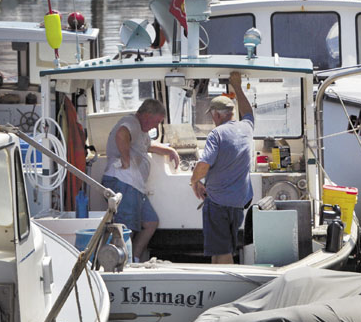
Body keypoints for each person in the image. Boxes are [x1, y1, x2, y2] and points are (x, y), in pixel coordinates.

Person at [102, 99, 180, 262]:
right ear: (146, 115)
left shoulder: (141, 130)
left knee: (151, 222)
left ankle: (134, 259)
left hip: (135, 186)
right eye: (156, 122)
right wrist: (125, 160)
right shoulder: (131, 122)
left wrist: (169, 150)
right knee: (124, 229)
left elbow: (147, 146)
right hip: (123, 183)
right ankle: (118, 263)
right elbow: (121, 134)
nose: (155, 127)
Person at [190, 71, 254, 264]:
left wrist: (194, 182)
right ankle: (215, 286)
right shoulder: (247, 128)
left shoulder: (216, 134)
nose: (212, 119)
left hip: (218, 204)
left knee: (223, 252)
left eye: (212, 116)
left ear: (217, 115)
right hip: (238, 203)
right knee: (220, 251)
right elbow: (248, 111)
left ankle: (227, 288)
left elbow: (203, 165)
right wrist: (238, 86)